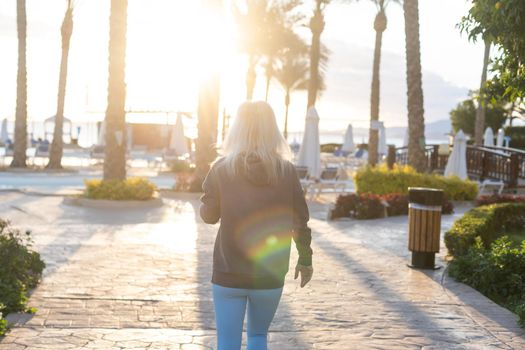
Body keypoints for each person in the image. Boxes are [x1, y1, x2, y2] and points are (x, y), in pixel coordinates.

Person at [200, 101, 313, 350]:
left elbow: (208, 216)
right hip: (269, 274)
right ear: (272, 130)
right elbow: (300, 220)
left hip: (228, 271)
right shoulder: (286, 171)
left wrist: (208, 195)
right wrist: (305, 259)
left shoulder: (221, 168)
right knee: (257, 337)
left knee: (227, 342)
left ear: (236, 129)